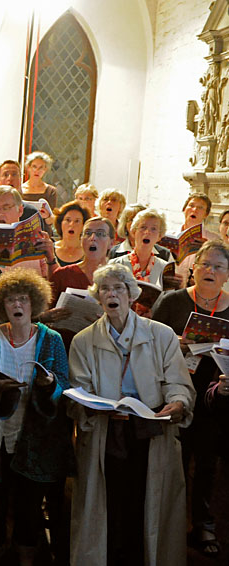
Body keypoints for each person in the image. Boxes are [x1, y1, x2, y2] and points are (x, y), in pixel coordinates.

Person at [68, 263, 194, 566]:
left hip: (151, 432)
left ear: (131, 294)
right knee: (108, 508)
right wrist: (86, 403)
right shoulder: (83, 341)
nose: (112, 294)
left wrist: (177, 404)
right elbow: (77, 389)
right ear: (98, 298)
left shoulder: (161, 335)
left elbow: (178, 384)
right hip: (106, 434)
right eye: (105, 289)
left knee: (148, 506)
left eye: (119, 288)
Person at [0, 268, 72, 566]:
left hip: (37, 437)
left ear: (35, 304)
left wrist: (49, 384)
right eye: (11, 300)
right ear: (1, 304)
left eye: (23, 299)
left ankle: (26, 557)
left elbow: (65, 385)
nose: (17, 305)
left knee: (30, 507)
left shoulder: (51, 338)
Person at [152, 239, 229, 558]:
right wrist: (175, 345)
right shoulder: (172, 301)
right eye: (204, 264)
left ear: (227, 274)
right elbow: (150, 342)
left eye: (218, 267)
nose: (210, 270)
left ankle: (203, 522)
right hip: (174, 389)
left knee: (208, 460)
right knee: (174, 459)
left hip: (216, 395)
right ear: (193, 268)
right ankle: (168, 520)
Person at [46, 216, 115, 346]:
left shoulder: (118, 277)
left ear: (112, 242)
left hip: (103, 347)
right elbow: (43, 315)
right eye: (87, 233)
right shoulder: (62, 274)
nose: (93, 238)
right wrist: (51, 316)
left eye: (100, 234)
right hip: (66, 346)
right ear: (81, 239)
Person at [0, 186, 57, 277]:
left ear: (20, 210)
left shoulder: (36, 241)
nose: (0, 214)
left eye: (6, 208)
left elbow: (55, 283)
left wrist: (51, 258)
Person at [110, 208, 172, 288]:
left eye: (153, 229)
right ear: (133, 232)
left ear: (159, 236)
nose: (147, 232)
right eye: (143, 227)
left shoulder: (165, 269)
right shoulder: (116, 264)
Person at [109, 204, 173, 262]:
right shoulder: (115, 253)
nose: (147, 232)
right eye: (132, 219)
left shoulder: (165, 254)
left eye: (153, 228)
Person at [53, 201, 89, 266]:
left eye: (77, 221)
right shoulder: (50, 250)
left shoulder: (89, 252)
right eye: (68, 220)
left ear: (84, 225)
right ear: (60, 223)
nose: (72, 224)